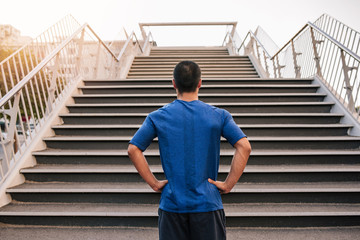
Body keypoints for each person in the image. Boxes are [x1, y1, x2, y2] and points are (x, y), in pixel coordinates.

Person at [128, 60, 251, 240]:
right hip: (208, 205)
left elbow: (133, 149)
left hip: (172, 205)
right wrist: (228, 184)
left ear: (174, 84)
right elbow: (244, 146)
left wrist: (154, 183)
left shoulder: (158, 116)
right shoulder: (219, 115)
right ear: (200, 83)